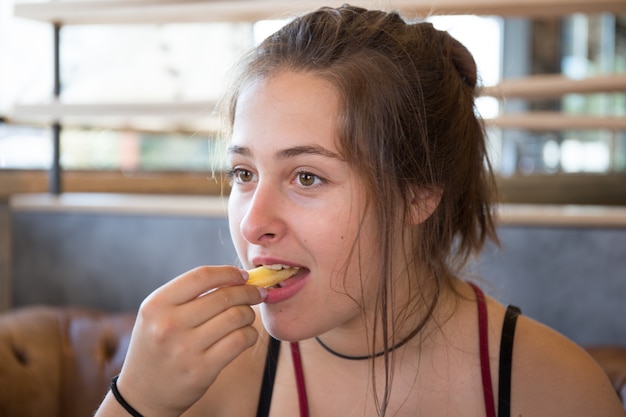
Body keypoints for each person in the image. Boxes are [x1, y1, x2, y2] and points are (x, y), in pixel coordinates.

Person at [95, 5, 623, 417]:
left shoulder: (556, 389)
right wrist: (137, 402)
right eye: (244, 174)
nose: (254, 223)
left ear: (420, 193)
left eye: (307, 177)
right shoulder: (215, 370)